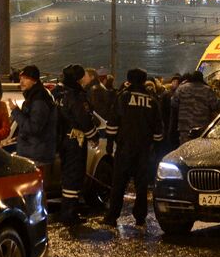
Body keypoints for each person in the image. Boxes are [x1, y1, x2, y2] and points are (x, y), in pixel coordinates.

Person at [105, 68, 164, 230]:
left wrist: (110, 143)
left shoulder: (123, 97)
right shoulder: (152, 100)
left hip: (124, 148)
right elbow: (158, 128)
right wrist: (156, 148)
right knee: (141, 185)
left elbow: (113, 122)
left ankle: (112, 217)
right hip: (144, 150)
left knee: (118, 184)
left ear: (129, 79)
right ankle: (140, 217)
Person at [56, 64, 97, 223]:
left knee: (68, 177)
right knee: (74, 177)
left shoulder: (59, 93)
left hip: (63, 140)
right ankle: (69, 214)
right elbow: (83, 119)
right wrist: (93, 136)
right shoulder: (76, 96)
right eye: (84, 75)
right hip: (75, 141)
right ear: (78, 79)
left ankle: (67, 211)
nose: (86, 78)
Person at [10, 64, 57, 172]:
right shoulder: (34, 97)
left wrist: (15, 111)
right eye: (21, 78)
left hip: (36, 156)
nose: (21, 82)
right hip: (35, 152)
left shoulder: (39, 101)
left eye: (26, 79)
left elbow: (33, 128)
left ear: (35, 81)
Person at [172, 71, 220, 143]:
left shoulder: (181, 88)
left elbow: (173, 103)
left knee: (184, 147)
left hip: (184, 126)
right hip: (201, 127)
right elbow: (214, 106)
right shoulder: (207, 90)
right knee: (199, 147)